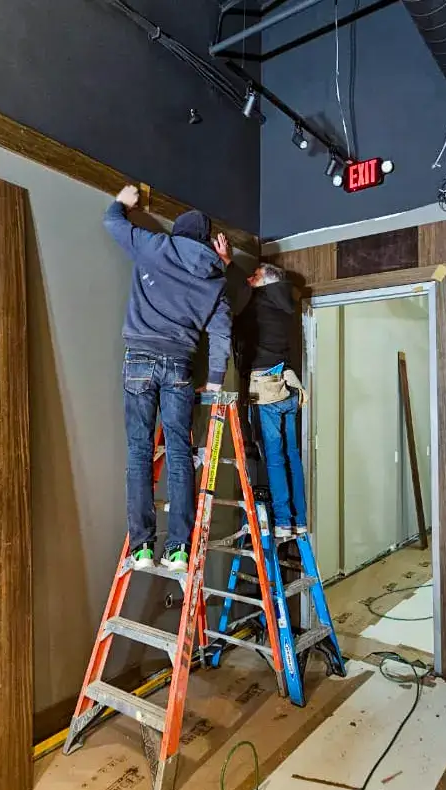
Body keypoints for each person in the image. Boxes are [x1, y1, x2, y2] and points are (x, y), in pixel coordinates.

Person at [104, 186, 231, 572]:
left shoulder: (155, 247)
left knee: (140, 452)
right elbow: (222, 333)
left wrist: (124, 200)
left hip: (139, 358)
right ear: (209, 241)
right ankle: (178, 550)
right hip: (180, 365)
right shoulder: (215, 277)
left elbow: (112, 222)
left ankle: (141, 548)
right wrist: (213, 382)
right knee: (179, 454)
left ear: (177, 231)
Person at [213, 234, 307, 540]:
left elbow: (242, 287)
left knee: (275, 457)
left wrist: (227, 260)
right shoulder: (282, 303)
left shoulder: (261, 300)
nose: (250, 279)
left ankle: (282, 520)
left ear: (265, 283)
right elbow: (247, 287)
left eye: (255, 276)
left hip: (265, 389)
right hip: (287, 387)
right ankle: (299, 519)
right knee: (291, 454)